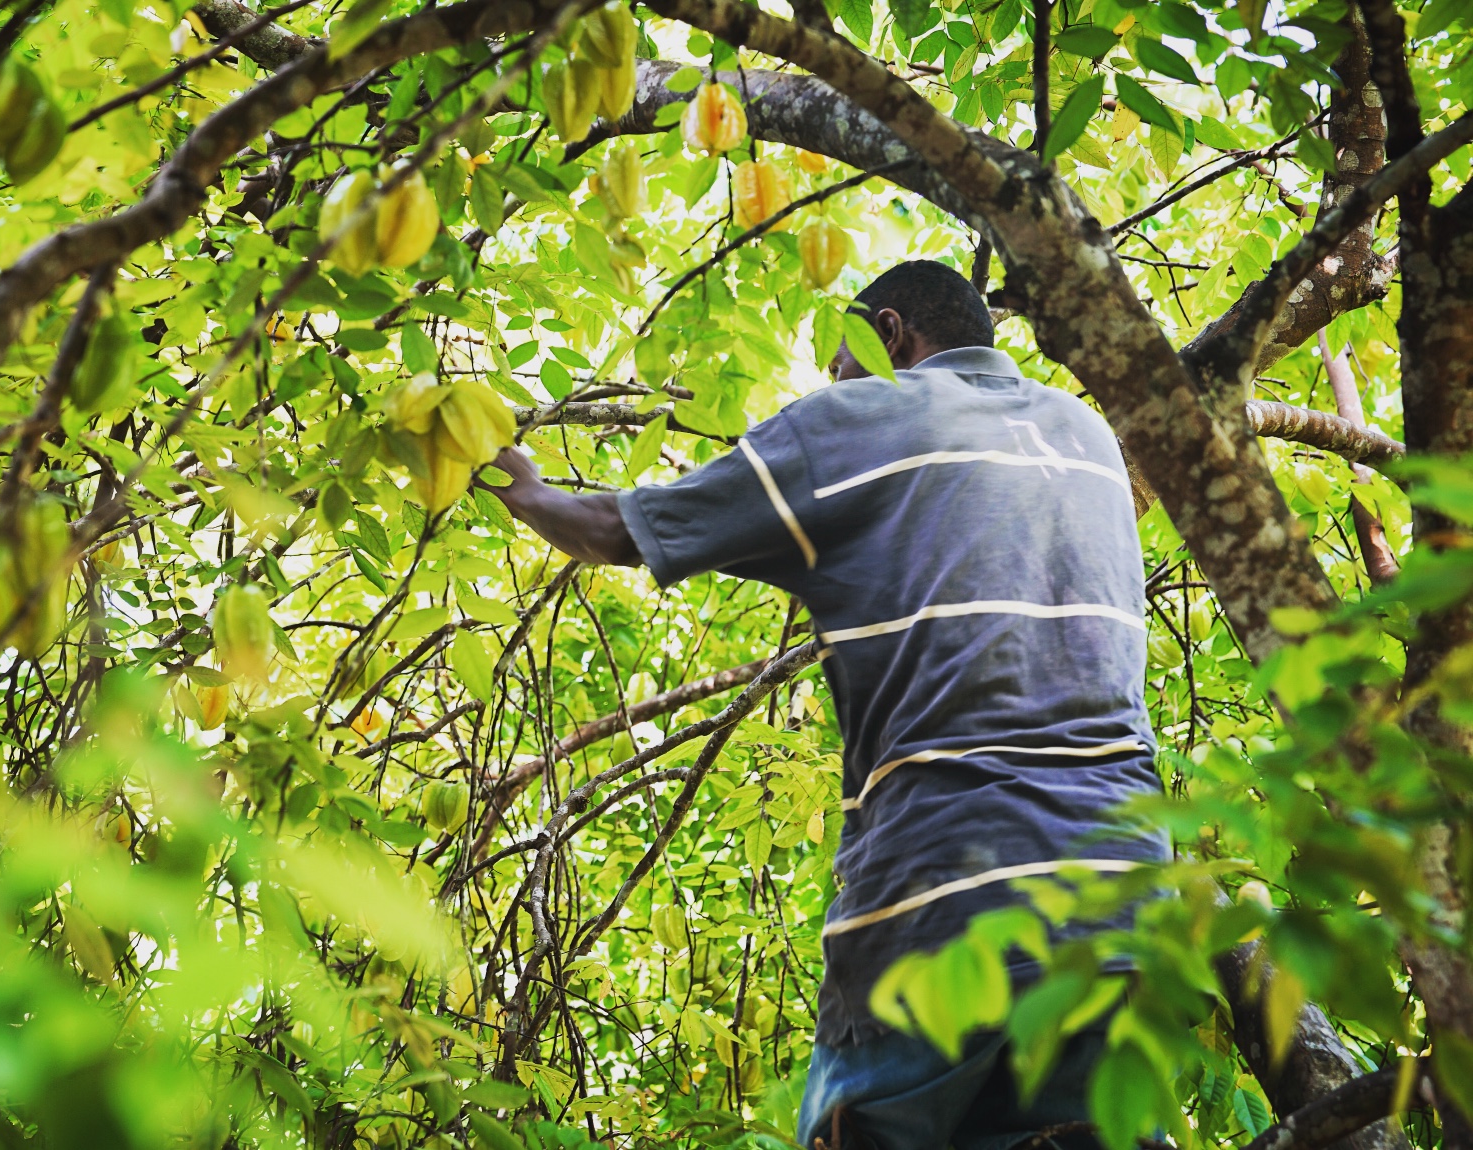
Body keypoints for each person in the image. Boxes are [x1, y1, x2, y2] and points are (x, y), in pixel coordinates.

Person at [479, 260, 1167, 1150]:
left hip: (946, 885)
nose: (832, 384)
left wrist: (522, 489)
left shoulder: (865, 413)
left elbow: (616, 529)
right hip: (1128, 895)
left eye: (839, 362)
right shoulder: (1087, 434)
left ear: (890, 335)